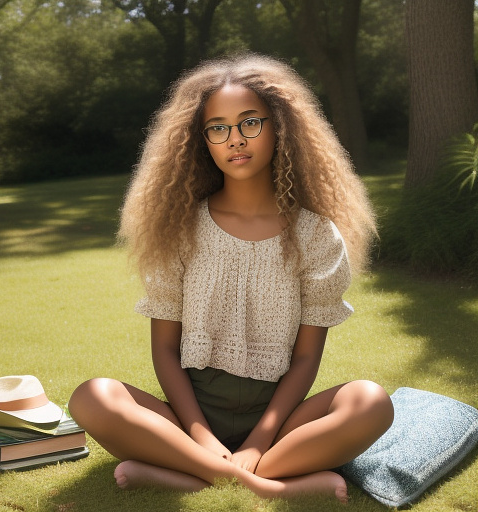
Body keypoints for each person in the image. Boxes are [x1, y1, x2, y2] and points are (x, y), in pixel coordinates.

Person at [68, 53, 394, 504]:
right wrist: (202, 437)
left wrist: (260, 441)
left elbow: (304, 360)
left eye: (249, 123)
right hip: (189, 417)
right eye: (217, 128)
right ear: (202, 140)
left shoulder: (317, 234)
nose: (234, 140)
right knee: (93, 397)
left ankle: (187, 474)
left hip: (279, 423)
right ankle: (266, 484)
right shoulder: (179, 229)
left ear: (280, 126)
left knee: (371, 401)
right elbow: (164, 350)